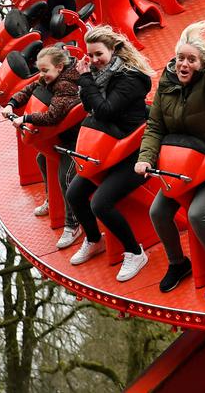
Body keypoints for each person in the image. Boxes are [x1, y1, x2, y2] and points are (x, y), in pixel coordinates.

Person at [135, 20, 205, 301]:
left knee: (197, 214)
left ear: (201, 64)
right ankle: (178, 263)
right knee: (158, 212)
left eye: (191, 60)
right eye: (180, 58)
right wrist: (145, 157)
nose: (184, 64)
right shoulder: (167, 83)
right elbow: (155, 126)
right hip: (183, 168)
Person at [65, 26, 154, 282]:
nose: (93, 61)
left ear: (113, 50)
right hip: (108, 146)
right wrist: (87, 81)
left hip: (132, 151)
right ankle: (94, 240)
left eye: (98, 54)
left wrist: (85, 80)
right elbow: (89, 107)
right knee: (74, 192)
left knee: (100, 203)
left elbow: (104, 110)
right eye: (89, 55)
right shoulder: (98, 75)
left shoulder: (131, 79)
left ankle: (135, 252)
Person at [5, 45, 83, 246]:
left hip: (77, 138)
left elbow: (53, 116)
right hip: (64, 136)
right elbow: (31, 88)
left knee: (65, 175)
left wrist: (26, 118)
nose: (42, 74)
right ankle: (52, 199)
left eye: (45, 70)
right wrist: (12, 103)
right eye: (40, 70)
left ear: (59, 66)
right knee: (42, 159)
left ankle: (73, 224)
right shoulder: (51, 77)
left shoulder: (66, 85)